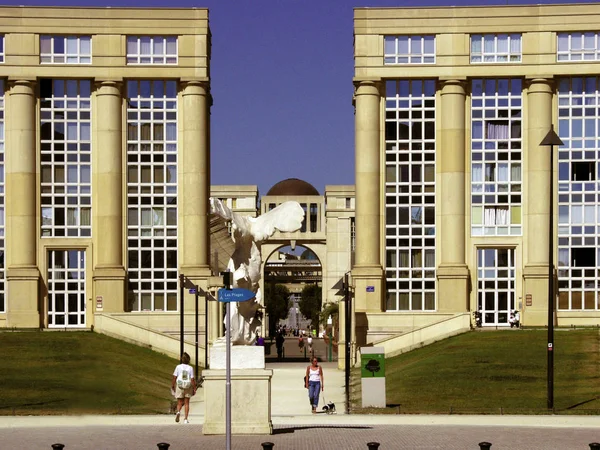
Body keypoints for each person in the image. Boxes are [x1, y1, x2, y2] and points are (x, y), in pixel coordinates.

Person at [172, 352, 196, 424]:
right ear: (188, 360)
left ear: (182, 359)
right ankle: (185, 419)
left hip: (179, 385)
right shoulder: (190, 368)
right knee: (186, 403)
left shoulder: (178, 367)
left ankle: (178, 412)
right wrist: (194, 388)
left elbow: (174, 377)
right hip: (188, 386)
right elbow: (192, 379)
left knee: (179, 402)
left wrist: (173, 385)